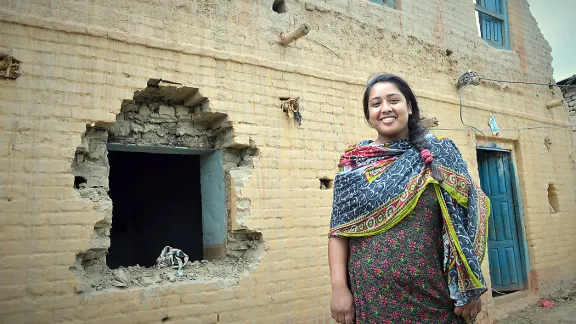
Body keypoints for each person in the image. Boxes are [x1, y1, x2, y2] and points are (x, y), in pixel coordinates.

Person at [328, 74, 490, 324]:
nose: (385, 109)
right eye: (376, 103)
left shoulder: (440, 154)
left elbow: (469, 217)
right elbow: (339, 231)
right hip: (372, 299)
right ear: (369, 114)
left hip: (436, 296)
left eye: (394, 100)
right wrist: (339, 287)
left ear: (409, 106)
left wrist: (468, 283)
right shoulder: (354, 165)